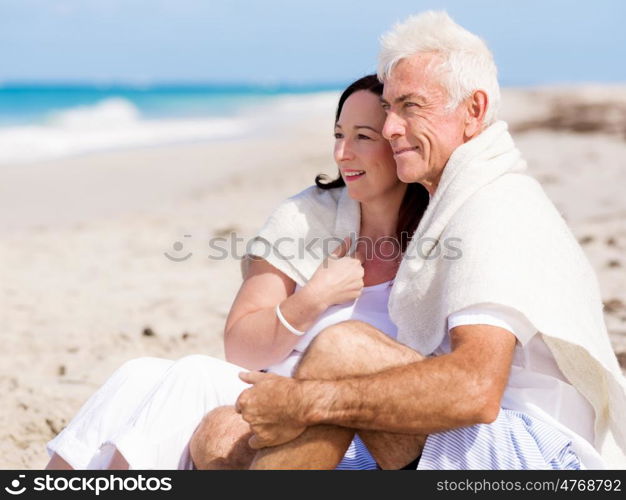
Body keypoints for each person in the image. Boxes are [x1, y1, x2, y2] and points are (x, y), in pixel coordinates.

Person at [204, 11, 626, 470]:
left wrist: (306, 401)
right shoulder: (452, 198)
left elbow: (476, 389)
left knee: (344, 350)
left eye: (411, 106)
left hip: (536, 453)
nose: (390, 129)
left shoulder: (495, 203)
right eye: (388, 109)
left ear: (474, 110)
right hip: (463, 440)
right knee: (219, 437)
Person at [45, 74, 430, 470]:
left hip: (349, 429)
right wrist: (313, 299)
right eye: (338, 134)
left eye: (363, 137)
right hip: (266, 400)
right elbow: (240, 349)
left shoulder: (438, 236)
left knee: (191, 375)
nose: (342, 153)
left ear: (398, 141)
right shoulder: (307, 218)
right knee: (137, 375)